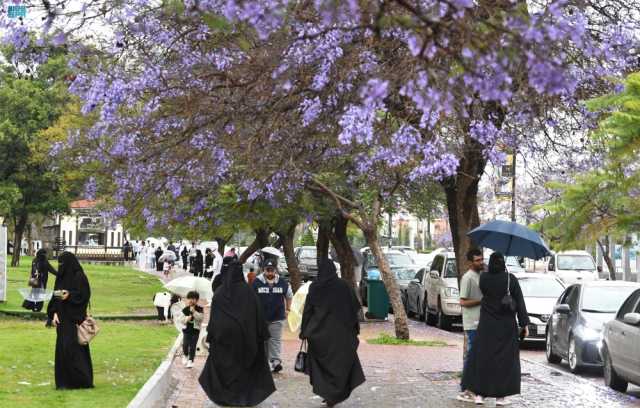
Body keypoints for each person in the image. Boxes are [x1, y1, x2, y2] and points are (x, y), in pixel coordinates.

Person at [199, 261, 275, 406]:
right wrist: (260, 335)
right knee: (244, 369)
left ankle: (226, 396)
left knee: (225, 368)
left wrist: (213, 336)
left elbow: (214, 319)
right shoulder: (249, 292)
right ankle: (244, 397)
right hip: (246, 339)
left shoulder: (220, 293)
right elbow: (258, 315)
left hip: (224, 340)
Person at [461, 252, 530, 406]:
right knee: (504, 361)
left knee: (484, 359)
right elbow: (519, 301)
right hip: (506, 327)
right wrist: (524, 324)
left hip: (487, 325)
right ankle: (501, 397)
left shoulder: (483, 278)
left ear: (491, 263)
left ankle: (480, 394)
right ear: (503, 264)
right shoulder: (510, 279)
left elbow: (486, 288)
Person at [300, 258, 365, 407]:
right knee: (339, 365)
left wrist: (304, 331)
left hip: (319, 335)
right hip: (341, 335)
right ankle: (335, 394)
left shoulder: (315, 287)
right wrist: (354, 329)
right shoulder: (344, 286)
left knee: (322, 367)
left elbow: (308, 311)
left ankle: (328, 394)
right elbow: (354, 308)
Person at [46, 251, 93, 389]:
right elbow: (55, 296)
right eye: (59, 263)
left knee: (75, 350)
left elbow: (84, 295)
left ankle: (81, 381)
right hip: (62, 319)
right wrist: (53, 313)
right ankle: (64, 382)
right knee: (63, 350)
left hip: (74, 320)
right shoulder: (60, 277)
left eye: (63, 263)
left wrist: (70, 296)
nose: (61, 266)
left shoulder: (79, 276)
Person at [252, 258, 293, 373]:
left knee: (275, 339)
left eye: (272, 270)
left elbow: (289, 295)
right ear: (263, 270)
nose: (270, 273)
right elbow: (251, 298)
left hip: (277, 317)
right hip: (261, 318)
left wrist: (288, 309)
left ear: (275, 270)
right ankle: (264, 362)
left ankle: (275, 361)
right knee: (263, 340)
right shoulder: (257, 282)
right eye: (267, 270)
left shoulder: (282, 282)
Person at [457, 248, 484, 403]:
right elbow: (462, 302)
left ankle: (471, 387)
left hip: (482, 321)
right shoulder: (467, 278)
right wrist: (480, 301)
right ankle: (465, 388)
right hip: (472, 322)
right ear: (470, 262)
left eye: (481, 259)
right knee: (472, 356)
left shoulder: (482, 275)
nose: (481, 262)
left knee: (477, 356)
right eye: (477, 260)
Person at [180, 291, 204, 369]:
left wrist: (194, 312)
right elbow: (181, 320)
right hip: (186, 330)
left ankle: (191, 361)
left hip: (195, 331)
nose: (191, 300)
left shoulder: (200, 309)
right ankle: (185, 355)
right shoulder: (185, 309)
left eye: (193, 299)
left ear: (197, 300)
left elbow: (200, 319)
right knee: (185, 344)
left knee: (193, 346)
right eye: (189, 298)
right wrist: (187, 318)